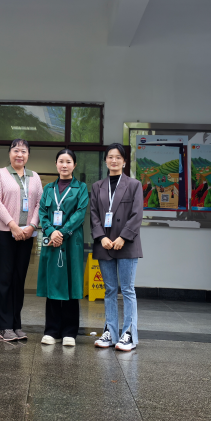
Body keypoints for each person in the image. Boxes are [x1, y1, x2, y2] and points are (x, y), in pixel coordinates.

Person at [89, 142, 144, 352]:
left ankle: (129, 334)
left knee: (127, 289)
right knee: (110, 290)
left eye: (118, 157)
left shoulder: (134, 185)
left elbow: (137, 215)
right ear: (105, 161)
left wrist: (123, 237)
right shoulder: (97, 186)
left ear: (124, 161)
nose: (114, 160)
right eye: (110, 157)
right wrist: (101, 237)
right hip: (104, 244)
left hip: (126, 244)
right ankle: (110, 332)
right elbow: (94, 214)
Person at [0, 139, 43, 342]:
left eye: (24, 151)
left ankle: (16, 324)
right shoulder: (0, 174)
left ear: (28, 155)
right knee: (5, 278)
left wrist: (32, 226)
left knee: (19, 279)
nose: (19, 154)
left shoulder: (34, 177)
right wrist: (12, 225)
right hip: (4, 232)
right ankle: (5, 326)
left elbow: (40, 203)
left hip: (27, 234)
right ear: (9, 153)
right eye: (16, 150)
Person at [37, 148, 89, 346]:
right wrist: (51, 232)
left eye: (68, 162)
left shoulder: (81, 188)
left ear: (74, 165)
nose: (64, 165)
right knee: (53, 284)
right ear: (56, 164)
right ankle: (51, 330)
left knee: (70, 284)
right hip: (52, 242)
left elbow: (80, 213)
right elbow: (42, 212)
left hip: (71, 242)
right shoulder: (48, 189)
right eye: (61, 161)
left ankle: (69, 332)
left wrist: (63, 232)